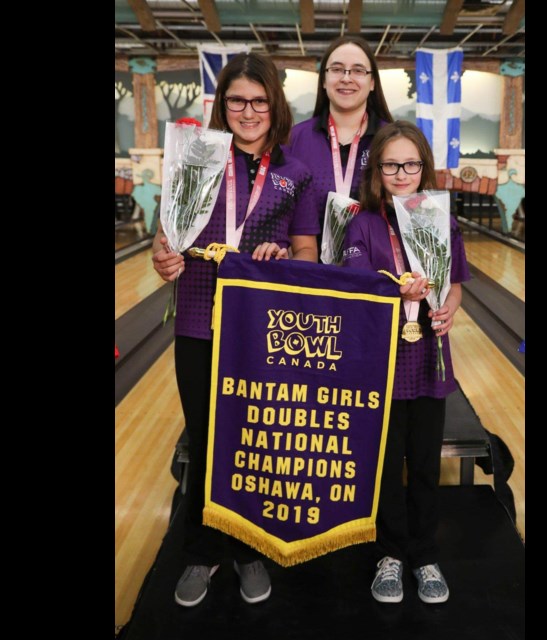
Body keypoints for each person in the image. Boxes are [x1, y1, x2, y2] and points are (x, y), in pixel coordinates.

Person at [152, 52, 320, 608]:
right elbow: (167, 234)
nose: (248, 111)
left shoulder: (296, 174)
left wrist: (284, 258)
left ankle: (248, 547)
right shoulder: (196, 159)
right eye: (236, 100)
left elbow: (306, 250)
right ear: (222, 104)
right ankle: (201, 550)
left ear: (274, 105)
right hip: (199, 316)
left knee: (250, 441)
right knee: (205, 437)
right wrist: (162, 255)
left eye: (259, 100)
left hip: (260, 325)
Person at [341, 121, 469, 604]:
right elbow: (353, 287)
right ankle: (390, 553)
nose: (401, 173)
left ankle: (425, 553)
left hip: (428, 358)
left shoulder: (441, 219)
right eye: (391, 164)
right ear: (377, 169)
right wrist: (394, 289)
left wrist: (448, 307)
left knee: (424, 464)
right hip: (381, 360)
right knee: (385, 462)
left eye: (410, 164)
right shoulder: (362, 223)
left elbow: (454, 282)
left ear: (423, 168)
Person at [288, 36, 394, 247]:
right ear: (324, 80)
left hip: (376, 274)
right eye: (337, 69)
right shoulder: (294, 139)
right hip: (307, 271)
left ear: (372, 82)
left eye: (358, 70)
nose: (346, 78)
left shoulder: (393, 140)